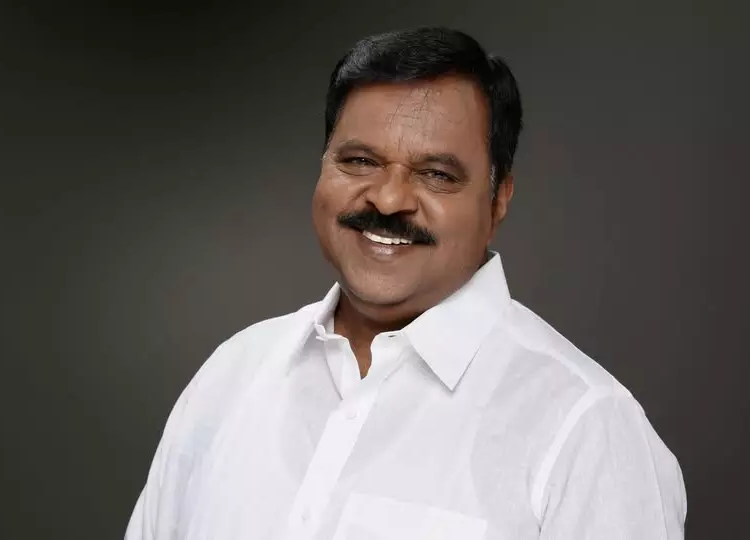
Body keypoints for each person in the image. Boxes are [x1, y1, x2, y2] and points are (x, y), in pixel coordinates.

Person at [125, 26, 686, 539]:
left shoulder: (586, 428)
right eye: (360, 161)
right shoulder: (231, 375)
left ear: (498, 199)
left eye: (436, 174)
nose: (389, 198)